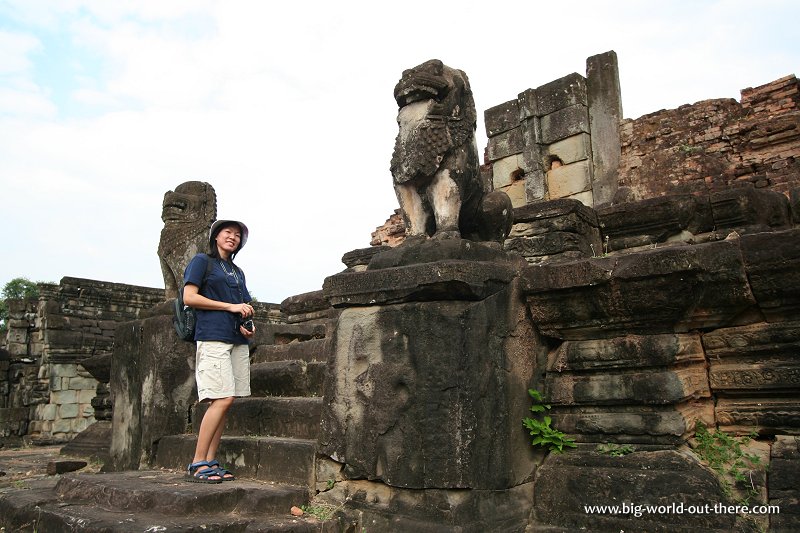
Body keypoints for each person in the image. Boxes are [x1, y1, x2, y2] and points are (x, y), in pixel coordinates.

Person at [183, 219, 255, 483]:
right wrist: (229, 307)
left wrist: (247, 324)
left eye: (237, 235)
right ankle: (197, 462)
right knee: (221, 398)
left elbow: (243, 304)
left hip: (236, 338)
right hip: (212, 335)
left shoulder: (236, 271)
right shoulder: (203, 261)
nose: (233, 237)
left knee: (227, 401)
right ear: (216, 236)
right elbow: (189, 297)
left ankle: (211, 460)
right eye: (228, 232)